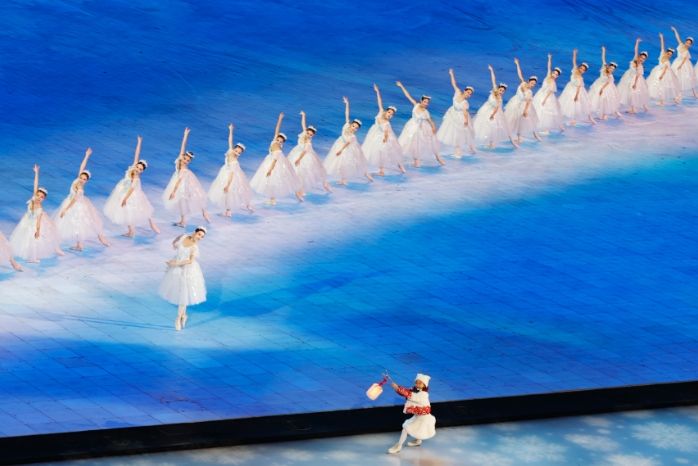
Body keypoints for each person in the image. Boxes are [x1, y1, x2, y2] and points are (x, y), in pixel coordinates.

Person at [103, 135, 160, 237]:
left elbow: (132, 189)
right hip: (123, 191)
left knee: (135, 212)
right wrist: (139, 142)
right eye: (138, 167)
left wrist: (125, 198)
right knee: (126, 213)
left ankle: (148, 226)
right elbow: (137, 154)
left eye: (140, 169)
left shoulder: (136, 179)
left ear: (142, 171)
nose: (138, 169)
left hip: (131, 194)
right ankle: (131, 231)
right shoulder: (132, 168)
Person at [55, 147, 110, 251]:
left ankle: (98, 239)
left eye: (84, 179)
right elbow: (82, 166)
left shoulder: (80, 188)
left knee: (81, 224)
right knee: (76, 225)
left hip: (77, 205)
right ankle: (79, 245)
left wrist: (66, 209)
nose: (82, 180)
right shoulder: (77, 180)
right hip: (73, 202)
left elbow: (74, 200)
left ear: (86, 181)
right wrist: (87, 155)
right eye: (81, 177)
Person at [10, 164, 63, 263]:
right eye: (38, 195)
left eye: (41, 197)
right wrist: (36, 173)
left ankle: (33, 257)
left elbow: (38, 222)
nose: (39, 198)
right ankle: (31, 257)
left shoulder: (40, 209)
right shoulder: (34, 198)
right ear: (36, 194)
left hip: (34, 224)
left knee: (33, 239)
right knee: (25, 238)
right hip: (27, 221)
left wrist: (38, 231)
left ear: (44, 199)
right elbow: (35, 184)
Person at [159, 227, 207, 331]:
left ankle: (178, 317)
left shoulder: (194, 247)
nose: (200, 237)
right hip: (176, 268)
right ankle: (183, 315)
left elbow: (190, 261)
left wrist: (176, 263)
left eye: (202, 237)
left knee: (184, 293)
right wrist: (175, 247)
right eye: (199, 234)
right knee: (180, 292)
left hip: (188, 270)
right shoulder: (183, 237)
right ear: (195, 232)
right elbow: (175, 243)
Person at [250, 113, 305, 204]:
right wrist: (280, 119)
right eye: (278, 139)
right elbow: (277, 129)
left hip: (275, 164)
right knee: (272, 181)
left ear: (282, 143)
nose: (278, 141)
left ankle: (297, 195)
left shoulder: (278, 149)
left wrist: (270, 169)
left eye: (280, 141)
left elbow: (275, 160)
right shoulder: (274, 141)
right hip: (271, 161)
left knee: (281, 180)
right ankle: (273, 199)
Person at [162, 127, 211, 227]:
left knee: (187, 197)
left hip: (183, 182)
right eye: (185, 159)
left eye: (188, 160)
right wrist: (185, 135)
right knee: (181, 201)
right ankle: (183, 221)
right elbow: (183, 146)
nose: (186, 161)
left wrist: (173, 191)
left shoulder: (184, 170)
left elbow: (179, 180)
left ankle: (203, 212)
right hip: (179, 179)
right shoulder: (180, 159)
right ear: (183, 157)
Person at [324, 97, 374, 185]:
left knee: (351, 163)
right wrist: (347, 103)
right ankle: (343, 179)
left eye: (356, 128)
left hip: (348, 148)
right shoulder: (346, 125)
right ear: (351, 124)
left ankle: (365, 175)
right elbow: (347, 114)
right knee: (340, 163)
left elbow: (347, 143)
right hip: (340, 143)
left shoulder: (352, 136)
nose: (354, 128)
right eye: (354, 126)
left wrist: (340, 150)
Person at [208, 123, 254, 217]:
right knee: (226, 194)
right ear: (234, 148)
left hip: (231, 177)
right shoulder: (230, 151)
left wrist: (228, 185)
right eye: (236, 150)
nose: (236, 153)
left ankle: (231, 210)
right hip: (225, 173)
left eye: (239, 153)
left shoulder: (234, 162)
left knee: (231, 192)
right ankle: (228, 210)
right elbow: (230, 140)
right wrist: (231, 130)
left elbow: (232, 174)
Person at [396, 81, 445, 167]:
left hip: (420, 129)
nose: (426, 104)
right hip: (411, 126)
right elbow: (407, 95)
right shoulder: (416, 105)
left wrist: (434, 128)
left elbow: (430, 121)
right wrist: (401, 86)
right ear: (421, 101)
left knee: (422, 144)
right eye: (425, 102)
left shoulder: (426, 112)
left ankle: (438, 158)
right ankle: (413, 161)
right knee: (408, 143)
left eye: (427, 102)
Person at [362, 84, 407, 174]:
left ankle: (400, 166)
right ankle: (381, 170)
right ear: (386, 111)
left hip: (385, 137)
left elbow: (386, 132)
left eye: (392, 114)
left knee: (392, 152)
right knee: (378, 152)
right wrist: (377, 91)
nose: (390, 115)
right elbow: (379, 101)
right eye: (389, 112)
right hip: (375, 134)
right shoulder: (381, 112)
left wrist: (385, 139)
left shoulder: (387, 123)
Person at [387, 373, 436, 454]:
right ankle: (418, 441)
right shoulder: (414, 389)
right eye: (416, 382)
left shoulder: (423, 394)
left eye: (420, 383)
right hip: (419, 416)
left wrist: (398, 388)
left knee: (406, 428)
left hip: (423, 418)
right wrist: (397, 388)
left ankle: (399, 446)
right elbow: (407, 392)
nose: (417, 384)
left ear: (424, 385)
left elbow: (410, 395)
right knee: (419, 429)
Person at [473, 65, 519, 149]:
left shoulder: (499, 99)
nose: (501, 92)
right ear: (498, 89)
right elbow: (493, 80)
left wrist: (492, 115)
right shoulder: (494, 90)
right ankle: (488, 143)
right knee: (485, 126)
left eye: (503, 91)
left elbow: (497, 108)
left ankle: (512, 143)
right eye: (500, 90)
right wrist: (491, 70)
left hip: (495, 113)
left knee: (499, 127)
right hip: (486, 109)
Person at [288, 111, 332, 193]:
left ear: (312, 136)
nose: (308, 135)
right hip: (297, 152)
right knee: (297, 171)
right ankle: (298, 188)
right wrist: (303, 115)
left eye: (310, 135)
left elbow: (305, 151)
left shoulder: (308, 142)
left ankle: (303, 189)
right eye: (308, 133)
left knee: (305, 172)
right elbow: (303, 124)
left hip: (304, 156)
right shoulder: (304, 133)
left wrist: (299, 159)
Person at [436, 69, 476, 156]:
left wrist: (466, 121)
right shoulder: (457, 92)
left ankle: (460, 152)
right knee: (451, 133)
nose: (468, 95)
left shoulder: (465, 103)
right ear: (464, 91)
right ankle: (464, 150)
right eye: (468, 92)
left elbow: (465, 112)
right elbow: (454, 84)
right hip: (452, 114)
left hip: (460, 117)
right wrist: (451, 74)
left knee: (461, 135)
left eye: (470, 94)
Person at [505, 58, 542, 143]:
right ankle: (511, 135)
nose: (533, 85)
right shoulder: (523, 83)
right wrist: (517, 64)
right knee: (512, 120)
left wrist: (525, 110)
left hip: (522, 106)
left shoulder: (530, 92)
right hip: (515, 102)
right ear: (528, 81)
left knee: (522, 122)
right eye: (532, 83)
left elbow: (528, 102)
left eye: (534, 84)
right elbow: (520, 74)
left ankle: (531, 136)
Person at [558, 49, 596, 125]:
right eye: (581, 68)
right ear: (579, 67)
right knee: (567, 103)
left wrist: (576, 95)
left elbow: (579, 87)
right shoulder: (574, 70)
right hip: (570, 88)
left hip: (577, 91)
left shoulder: (580, 78)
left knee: (578, 104)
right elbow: (574, 61)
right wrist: (574, 53)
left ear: (584, 71)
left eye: (583, 70)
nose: (581, 70)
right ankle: (562, 118)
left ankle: (582, 119)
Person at [533, 53, 565, 133]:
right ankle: (536, 125)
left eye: (556, 75)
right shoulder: (548, 76)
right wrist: (549, 58)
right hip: (540, 94)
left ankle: (546, 129)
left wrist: (544, 100)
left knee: (546, 112)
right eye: (554, 73)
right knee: (538, 109)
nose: (554, 75)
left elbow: (550, 92)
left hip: (547, 97)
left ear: (557, 76)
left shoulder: (553, 83)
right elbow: (549, 67)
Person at [647, 32, 682, 106]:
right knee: (658, 86)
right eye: (668, 54)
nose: (669, 55)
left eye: (670, 55)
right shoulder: (662, 54)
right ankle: (663, 100)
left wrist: (662, 76)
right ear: (666, 53)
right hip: (658, 71)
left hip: (664, 74)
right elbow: (662, 46)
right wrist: (662, 38)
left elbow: (665, 69)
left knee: (664, 87)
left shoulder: (668, 62)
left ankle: (664, 101)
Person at [589, 46, 622, 120]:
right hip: (599, 84)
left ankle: (606, 114)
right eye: (611, 68)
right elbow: (603, 59)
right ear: (608, 67)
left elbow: (607, 83)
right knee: (598, 99)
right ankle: (601, 113)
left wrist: (602, 89)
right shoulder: (603, 68)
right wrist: (603, 50)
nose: (611, 70)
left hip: (606, 87)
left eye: (613, 69)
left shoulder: (610, 76)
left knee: (605, 100)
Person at [618, 38, 650, 114]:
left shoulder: (640, 66)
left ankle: (635, 109)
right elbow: (636, 50)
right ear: (639, 56)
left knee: (634, 93)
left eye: (644, 59)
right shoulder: (634, 60)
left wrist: (635, 84)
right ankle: (637, 108)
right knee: (630, 93)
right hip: (628, 77)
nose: (642, 59)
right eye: (641, 57)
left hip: (636, 80)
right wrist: (637, 42)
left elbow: (638, 76)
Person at [670, 26, 696, 98]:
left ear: (690, 45)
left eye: (689, 43)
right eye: (687, 42)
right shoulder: (681, 45)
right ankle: (678, 94)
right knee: (676, 77)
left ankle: (694, 93)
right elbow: (677, 38)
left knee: (688, 79)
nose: (687, 44)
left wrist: (680, 66)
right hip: (677, 62)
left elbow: (684, 59)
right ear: (685, 42)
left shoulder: (687, 51)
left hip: (684, 64)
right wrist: (675, 30)